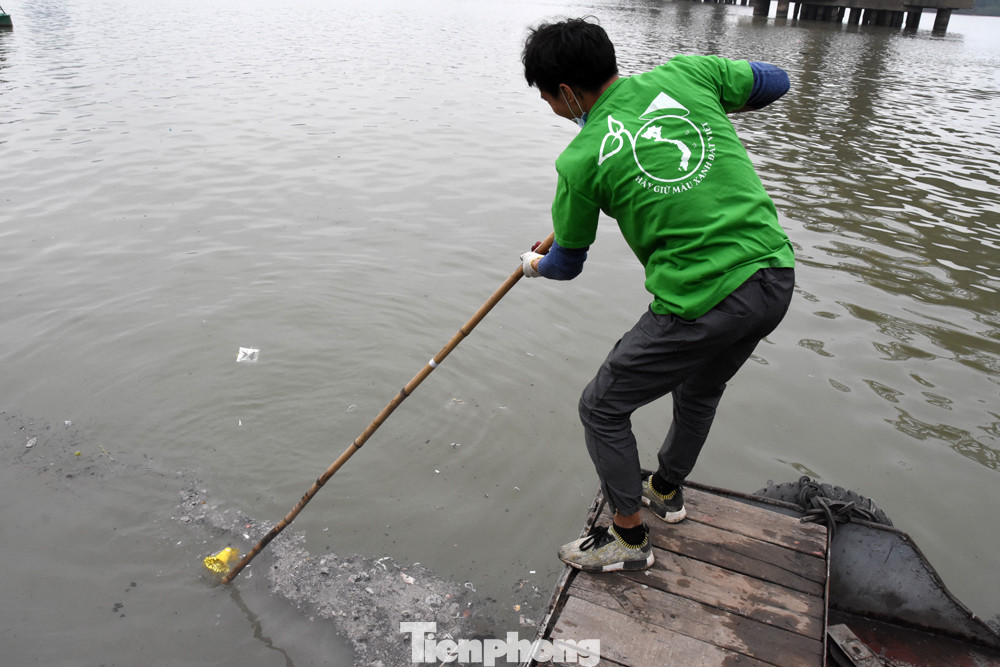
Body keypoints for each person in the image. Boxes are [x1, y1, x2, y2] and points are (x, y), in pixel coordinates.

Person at [519, 18, 795, 572]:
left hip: (703, 299)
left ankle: (628, 539)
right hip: (774, 275)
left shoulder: (581, 159)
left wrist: (533, 265)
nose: (551, 108)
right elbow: (777, 81)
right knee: (700, 390)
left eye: (547, 97)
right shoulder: (690, 75)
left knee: (601, 407)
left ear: (567, 92)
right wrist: (710, 109)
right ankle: (665, 490)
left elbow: (567, 264)